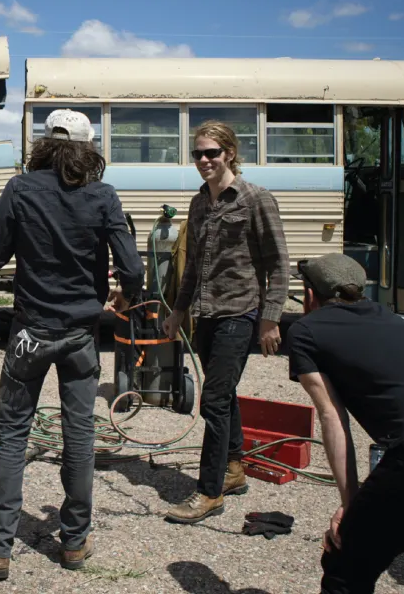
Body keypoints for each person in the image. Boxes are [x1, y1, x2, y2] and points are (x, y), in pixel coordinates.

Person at [0, 109, 145, 581]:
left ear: (44, 144)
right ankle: (73, 543)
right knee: (80, 435)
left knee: (12, 434)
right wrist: (122, 293)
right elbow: (132, 269)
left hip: (30, 333)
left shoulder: (21, 189)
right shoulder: (103, 196)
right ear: (89, 148)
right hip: (79, 335)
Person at [160, 120, 289, 524]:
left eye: (211, 153)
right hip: (206, 314)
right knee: (225, 394)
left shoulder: (256, 199)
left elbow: (278, 265)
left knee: (213, 400)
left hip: (240, 312)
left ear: (230, 153)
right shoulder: (199, 203)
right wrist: (178, 311)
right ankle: (234, 470)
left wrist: (270, 319)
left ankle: (209, 491)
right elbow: (193, 268)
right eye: (198, 153)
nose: (203, 160)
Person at [287, 253, 404, 594]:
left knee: (345, 566)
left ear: (310, 296)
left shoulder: (306, 331)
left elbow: (331, 417)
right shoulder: (394, 319)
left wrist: (350, 504)